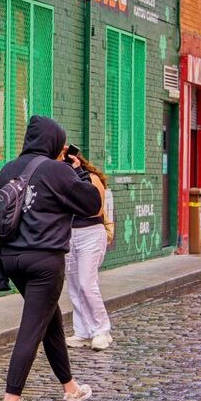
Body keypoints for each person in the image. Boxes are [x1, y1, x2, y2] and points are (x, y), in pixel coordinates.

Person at [0, 115, 104, 401]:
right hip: (44, 262)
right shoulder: (59, 170)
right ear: (53, 142)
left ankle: (71, 389)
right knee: (31, 331)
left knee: (50, 323)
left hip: (12, 260)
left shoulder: (8, 169)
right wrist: (78, 171)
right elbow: (92, 203)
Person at [65, 147, 116, 350]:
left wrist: (78, 173)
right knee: (74, 285)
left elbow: (94, 206)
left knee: (87, 283)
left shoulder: (91, 177)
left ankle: (102, 330)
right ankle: (83, 331)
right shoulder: (62, 179)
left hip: (90, 233)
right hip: (69, 234)